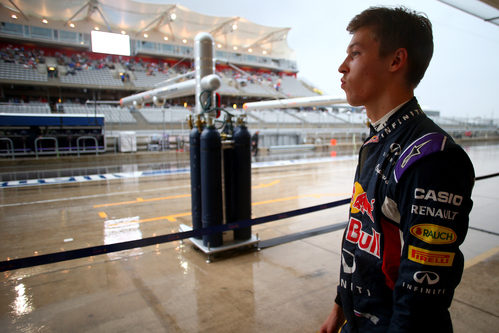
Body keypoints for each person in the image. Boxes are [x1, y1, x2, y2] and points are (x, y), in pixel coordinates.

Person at [320, 6, 475, 333]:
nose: (342, 67)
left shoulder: (433, 158)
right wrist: (339, 306)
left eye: (355, 53)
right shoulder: (377, 140)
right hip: (357, 319)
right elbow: (359, 236)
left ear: (395, 61)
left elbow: (421, 296)